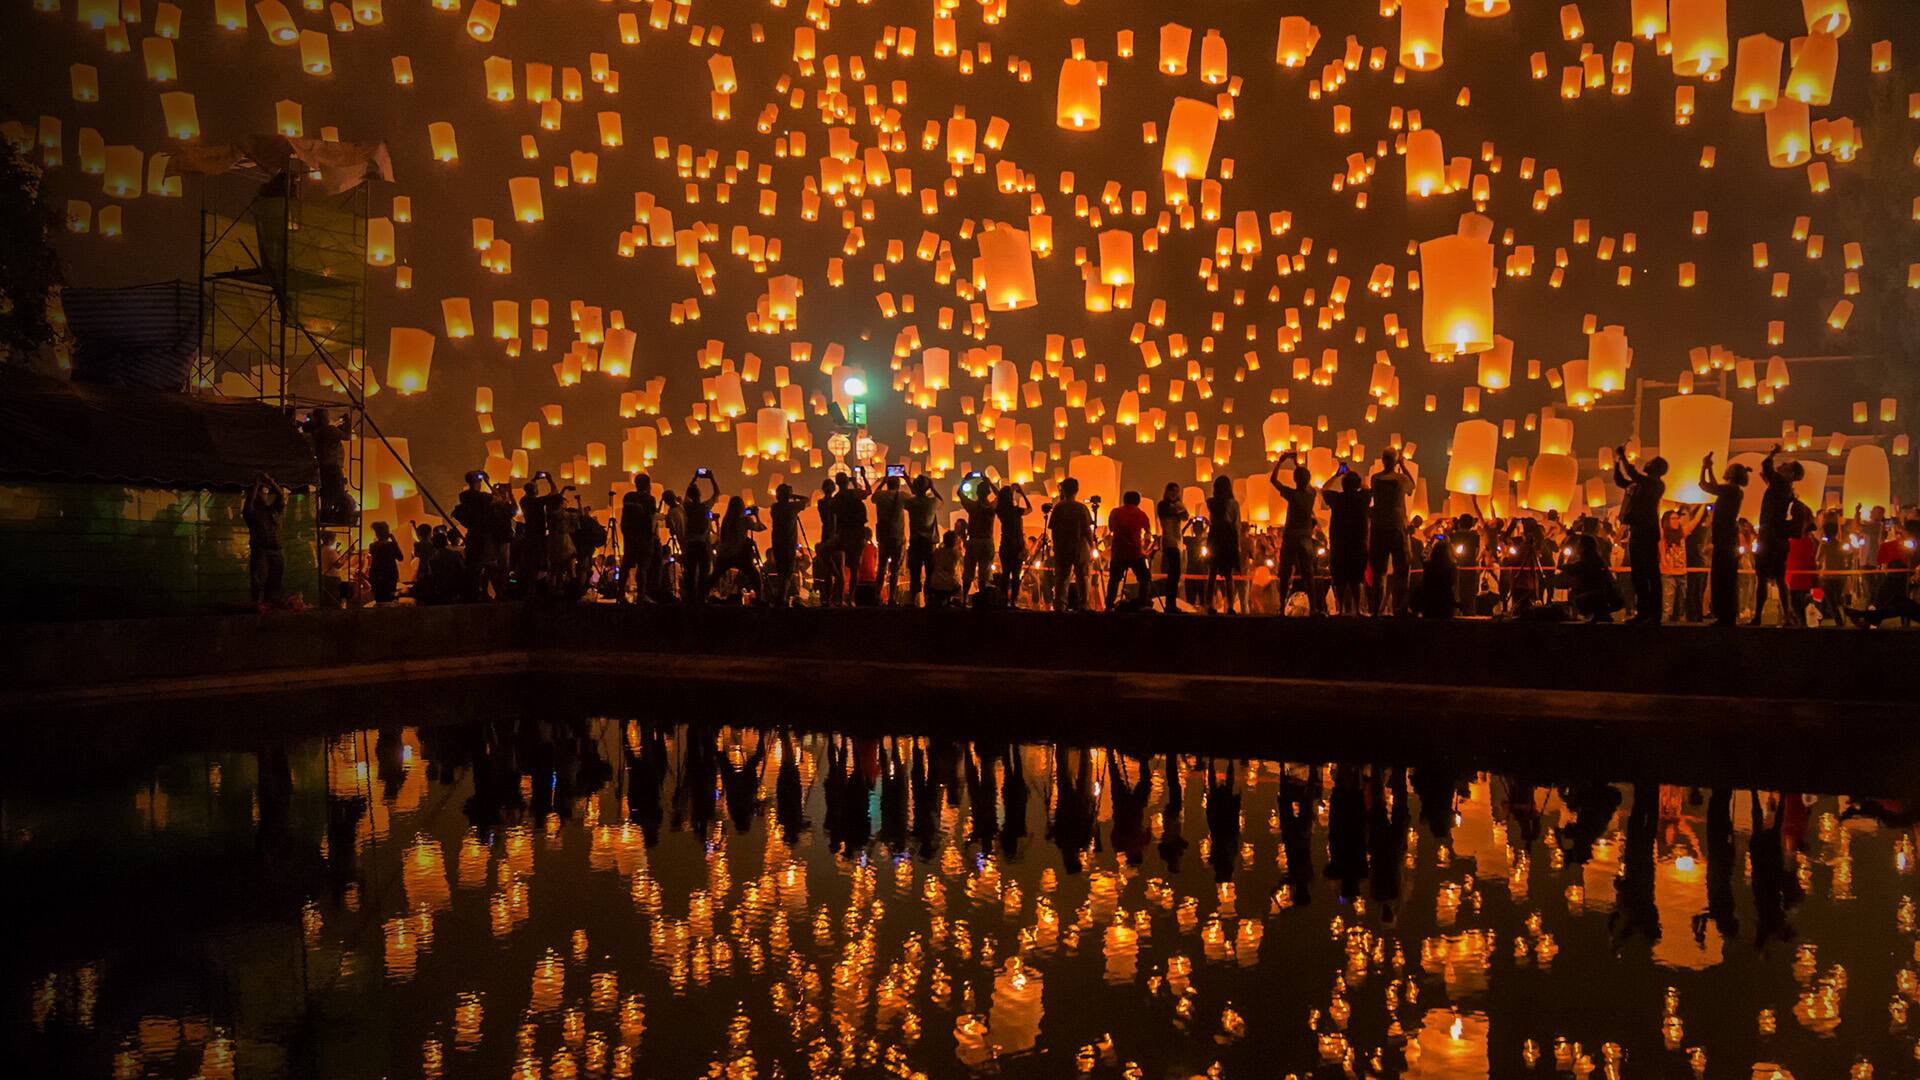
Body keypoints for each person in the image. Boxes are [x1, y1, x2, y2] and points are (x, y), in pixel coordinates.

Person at [1613, 446, 1668, 624]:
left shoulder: (1655, 484)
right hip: (1638, 530)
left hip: (1646, 531)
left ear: (1657, 469)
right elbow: (1622, 481)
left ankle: (1651, 613)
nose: (1647, 464)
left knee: (1649, 573)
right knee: (1640, 574)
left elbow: (1633, 474)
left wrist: (1622, 457)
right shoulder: (1641, 484)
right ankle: (1646, 612)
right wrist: (1616, 464)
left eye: (1651, 463)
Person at [1269, 451, 1324, 615]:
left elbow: (1273, 480)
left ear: (1294, 480)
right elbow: (1305, 479)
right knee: (1308, 573)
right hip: (1305, 537)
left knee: (1285, 573)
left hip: (1291, 536)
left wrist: (1280, 462)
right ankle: (1313, 607)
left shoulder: (1292, 495)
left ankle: (1281, 607)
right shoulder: (1311, 495)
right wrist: (1297, 464)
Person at [1752, 444, 1801, 625]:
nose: (1783, 466)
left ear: (1791, 474)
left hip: (1768, 537)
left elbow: (1766, 465)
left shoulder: (1779, 483)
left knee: (1762, 578)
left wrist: (1773, 452)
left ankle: (1758, 616)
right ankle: (1787, 615)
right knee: (1780, 579)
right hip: (1779, 539)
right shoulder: (1786, 488)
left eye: (1787, 467)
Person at [1697, 453, 1747, 627]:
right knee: (1727, 579)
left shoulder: (1729, 491)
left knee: (1721, 579)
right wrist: (1710, 469)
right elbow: (1716, 486)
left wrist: (1704, 467)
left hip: (1724, 540)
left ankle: (1724, 616)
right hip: (1729, 539)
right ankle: (1728, 615)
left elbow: (1705, 485)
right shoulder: (1735, 492)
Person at [1367, 449, 1416, 616]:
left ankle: (1375, 609)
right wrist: (1403, 464)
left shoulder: (1375, 479)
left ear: (1382, 460)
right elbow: (1412, 485)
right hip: (1397, 527)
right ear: (1395, 461)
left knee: (1378, 572)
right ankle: (1399, 607)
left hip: (1379, 528)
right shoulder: (1401, 479)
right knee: (1401, 570)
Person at [1846, 518, 1920, 627]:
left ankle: (1864, 616)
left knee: (1900, 602)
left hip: (1903, 578)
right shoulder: (1910, 546)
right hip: (1902, 578)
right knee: (1899, 602)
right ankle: (1868, 618)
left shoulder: (1913, 546)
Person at [1321, 465, 1370, 616]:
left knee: (1340, 579)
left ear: (1343, 485)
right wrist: (1350, 472)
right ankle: (1357, 608)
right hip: (1357, 543)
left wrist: (1337, 474)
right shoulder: (1363, 498)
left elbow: (1324, 488)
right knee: (1356, 578)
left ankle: (1341, 608)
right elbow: (1366, 487)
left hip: (1339, 544)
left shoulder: (1337, 499)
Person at [1046, 478, 1096, 611]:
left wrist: (1055, 546)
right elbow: (1087, 530)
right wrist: (1092, 546)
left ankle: (1060, 605)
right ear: (1077, 490)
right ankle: (1083, 605)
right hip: (1079, 547)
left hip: (1062, 547)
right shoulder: (1081, 508)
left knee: (1062, 577)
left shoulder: (1058, 508)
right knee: (1082, 576)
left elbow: (1053, 530)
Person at [1104, 490, 1153, 611]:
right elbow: (1148, 533)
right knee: (1144, 578)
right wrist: (1145, 549)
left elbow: (1111, 528)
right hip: (1135, 551)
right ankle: (1142, 604)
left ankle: (1109, 604)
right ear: (1138, 501)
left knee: (1114, 579)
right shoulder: (1141, 514)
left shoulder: (1115, 512)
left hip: (1118, 551)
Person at [243, 472, 286, 608]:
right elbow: (249, 504)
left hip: (276, 550)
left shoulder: (273, 510)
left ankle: (270, 605)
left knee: (275, 581)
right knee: (258, 581)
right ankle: (256, 606)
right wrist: (257, 485)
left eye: (265, 492)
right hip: (261, 551)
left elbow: (281, 496)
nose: (265, 495)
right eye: (263, 492)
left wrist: (270, 481)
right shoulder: (252, 513)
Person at [710, 497, 766, 600]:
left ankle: (702, 596)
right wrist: (756, 515)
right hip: (740, 554)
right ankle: (759, 598)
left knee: (714, 576)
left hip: (725, 554)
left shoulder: (726, 520)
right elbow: (760, 528)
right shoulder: (745, 520)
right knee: (755, 577)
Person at [766, 483, 810, 607]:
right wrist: (793, 496)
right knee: (789, 571)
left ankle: (780, 597)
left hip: (777, 543)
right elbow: (806, 500)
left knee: (781, 572)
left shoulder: (774, 507)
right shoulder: (792, 507)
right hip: (789, 544)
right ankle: (781, 597)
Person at [1202, 475, 1241, 614]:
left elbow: (1213, 520)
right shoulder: (1233, 503)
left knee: (1212, 573)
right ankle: (1230, 606)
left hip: (1215, 537)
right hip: (1229, 537)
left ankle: (1208, 605)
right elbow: (1236, 524)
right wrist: (1237, 543)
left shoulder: (1211, 502)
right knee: (1229, 575)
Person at [1659, 505, 1704, 623]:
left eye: (1677, 518)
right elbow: (1657, 518)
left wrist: (1704, 503)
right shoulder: (1663, 535)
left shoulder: (1682, 533)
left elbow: (1696, 521)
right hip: (1668, 574)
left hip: (1682, 574)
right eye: (1673, 519)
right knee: (1667, 607)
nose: (1676, 521)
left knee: (1681, 606)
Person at [680, 470, 720, 604]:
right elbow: (716, 494)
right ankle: (702, 597)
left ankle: (690, 598)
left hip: (691, 544)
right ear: (699, 495)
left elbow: (686, 494)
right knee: (704, 571)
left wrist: (694, 478)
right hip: (702, 544)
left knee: (691, 572)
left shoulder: (688, 507)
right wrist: (711, 478)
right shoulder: (705, 508)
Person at [619, 473, 659, 603]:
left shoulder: (628, 497)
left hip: (629, 536)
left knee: (626, 565)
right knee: (642, 568)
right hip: (644, 537)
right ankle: (641, 595)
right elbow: (652, 518)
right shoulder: (650, 499)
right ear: (648, 485)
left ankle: (620, 593)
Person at [903, 475, 942, 606]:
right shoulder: (932, 503)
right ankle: (929, 599)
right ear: (927, 488)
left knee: (915, 573)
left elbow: (912, 496)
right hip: (929, 543)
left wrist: (908, 480)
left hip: (915, 542)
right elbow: (941, 499)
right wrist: (933, 487)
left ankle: (913, 599)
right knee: (930, 573)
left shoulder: (911, 503)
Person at [871, 472, 909, 604]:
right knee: (895, 569)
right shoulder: (902, 496)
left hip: (883, 536)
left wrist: (882, 482)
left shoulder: (881, 495)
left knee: (881, 567)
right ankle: (892, 597)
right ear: (898, 485)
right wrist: (907, 479)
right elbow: (916, 497)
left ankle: (877, 596)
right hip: (897, 535)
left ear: (887, 484)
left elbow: (872, 498)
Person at [959, 473, 997, 601]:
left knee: (968, 572)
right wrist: (990, 482)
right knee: (984, 574)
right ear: (988, 492)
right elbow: (1001, 497)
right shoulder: (992, 507)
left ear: (977, 492)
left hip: (974, 541)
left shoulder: (972, 506)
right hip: (986, 541)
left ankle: (964, 599)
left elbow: (960, 493)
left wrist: (967, 479)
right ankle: (982, 599)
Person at [994, 482, 1031, 606]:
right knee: (1016, 575)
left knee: (1005, 574)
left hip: (1005, 545)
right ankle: (1013, 601)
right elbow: (1030, 509)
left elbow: (999, 497)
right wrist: (1022, 494)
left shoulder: (1001, 511)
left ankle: (1003, 599)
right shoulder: (1016, 511)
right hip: (1017, 546)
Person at [1154, 483, 1189, 613]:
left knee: (1175, 574)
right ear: (1167, 491)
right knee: (1173, 573)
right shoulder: (1163, 505)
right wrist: (1177, 505)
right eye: (1173, 491)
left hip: (1177, 542)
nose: (1175, 494)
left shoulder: (1175, 506)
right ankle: (1170, 604)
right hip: (1169, 542)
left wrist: (1178, 506)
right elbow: (1176, 512)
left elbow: (1186, 516)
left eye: (1177, 492)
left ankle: (1171, 603)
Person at [814, 477, 842, 606]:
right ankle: (837, 598)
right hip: (835, 535)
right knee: (837, 569)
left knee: (827, 570)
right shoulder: (836, 502)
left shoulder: (820, 503)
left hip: (825, 534)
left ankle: (827, 599)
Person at [367, 520, 402, 603]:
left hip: (376, 576)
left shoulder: (372, 546)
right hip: (390, 576)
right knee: (390, 600)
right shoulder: (391, 545)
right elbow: (400, 558)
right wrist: (394, 540)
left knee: (379, 600)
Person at [926, 531, 963, 608]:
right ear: (955, 541)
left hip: (935, 583)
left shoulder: (937, 552)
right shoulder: (956, 553)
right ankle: (952, 600)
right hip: (951, 585)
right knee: (958, 582)